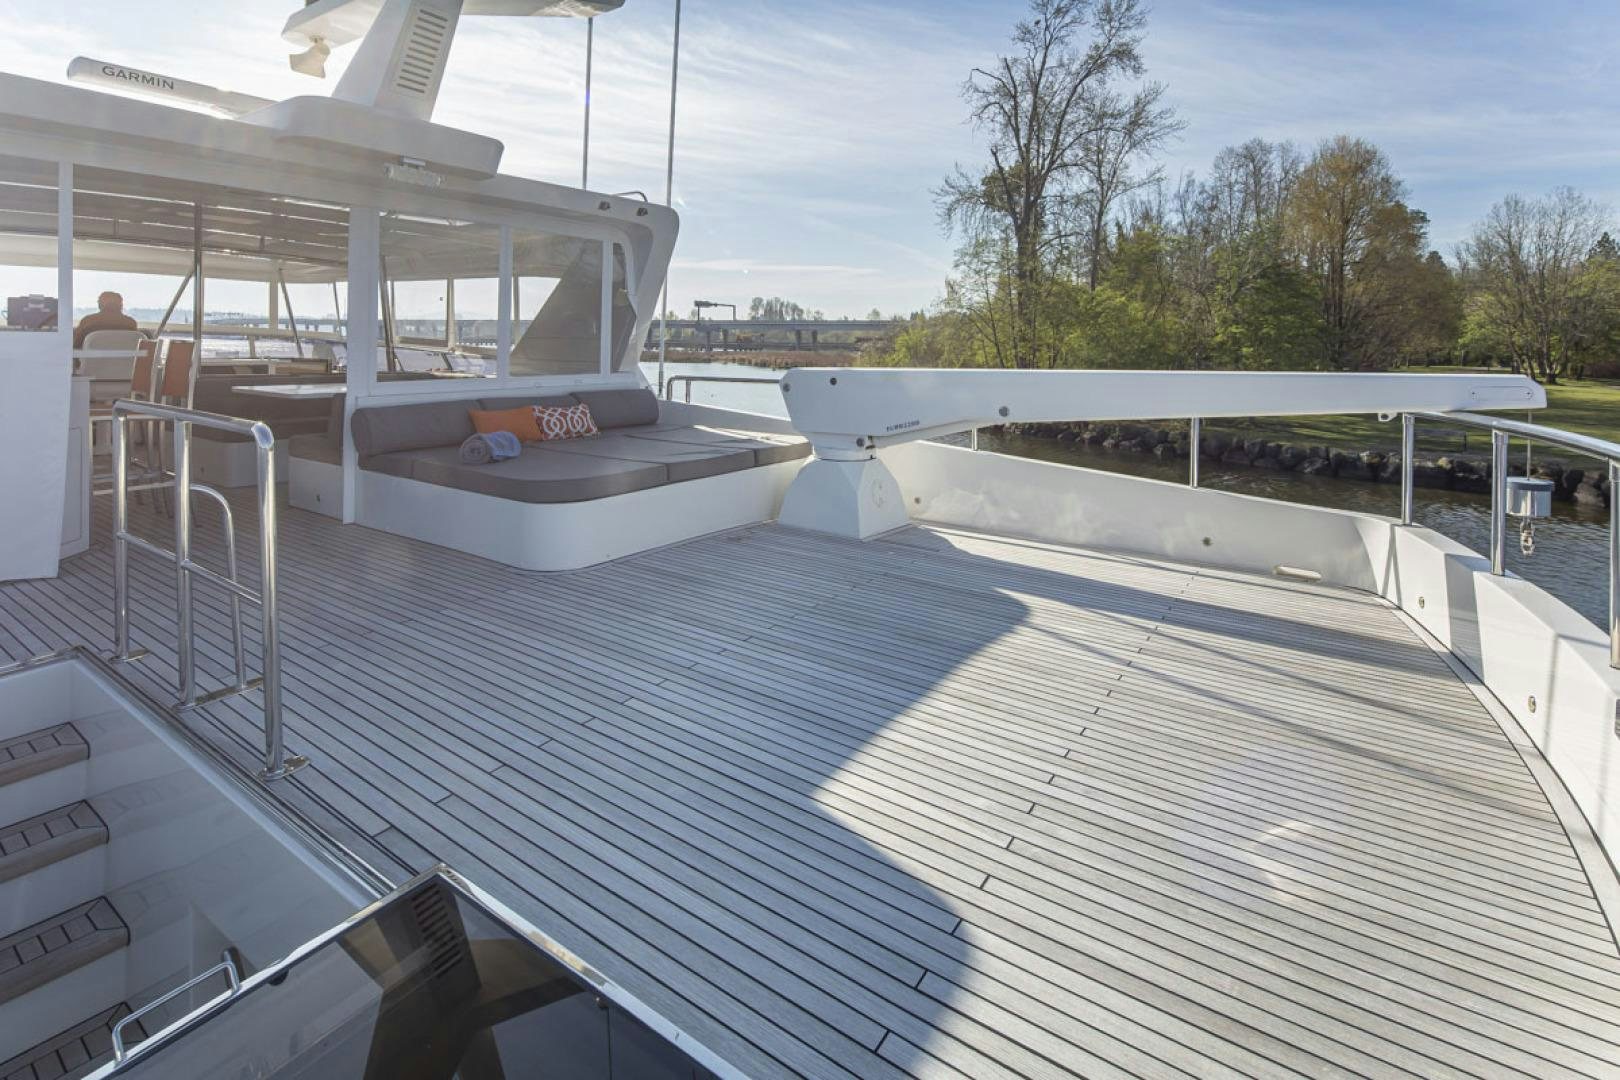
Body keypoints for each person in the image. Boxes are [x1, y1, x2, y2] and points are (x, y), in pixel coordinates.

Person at [73, 291, 139, 348]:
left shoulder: (88, 321)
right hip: (124, 359)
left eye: (98, 301)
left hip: (93, 359)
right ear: (121, 305)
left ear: (100, 304)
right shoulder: (130, 323)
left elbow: (75, 345)